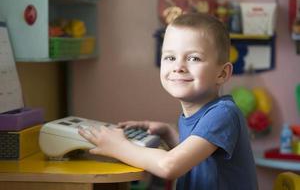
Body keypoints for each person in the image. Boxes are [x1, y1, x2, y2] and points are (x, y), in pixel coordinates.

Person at [79, 13, 258, 190]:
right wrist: (170, 134)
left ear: (222, 73)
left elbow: (169, 166)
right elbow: (200, 159)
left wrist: (118, 146)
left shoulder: (223, 114)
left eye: (193, 58)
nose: (178, 67)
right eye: (170, 57)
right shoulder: (196, 114)